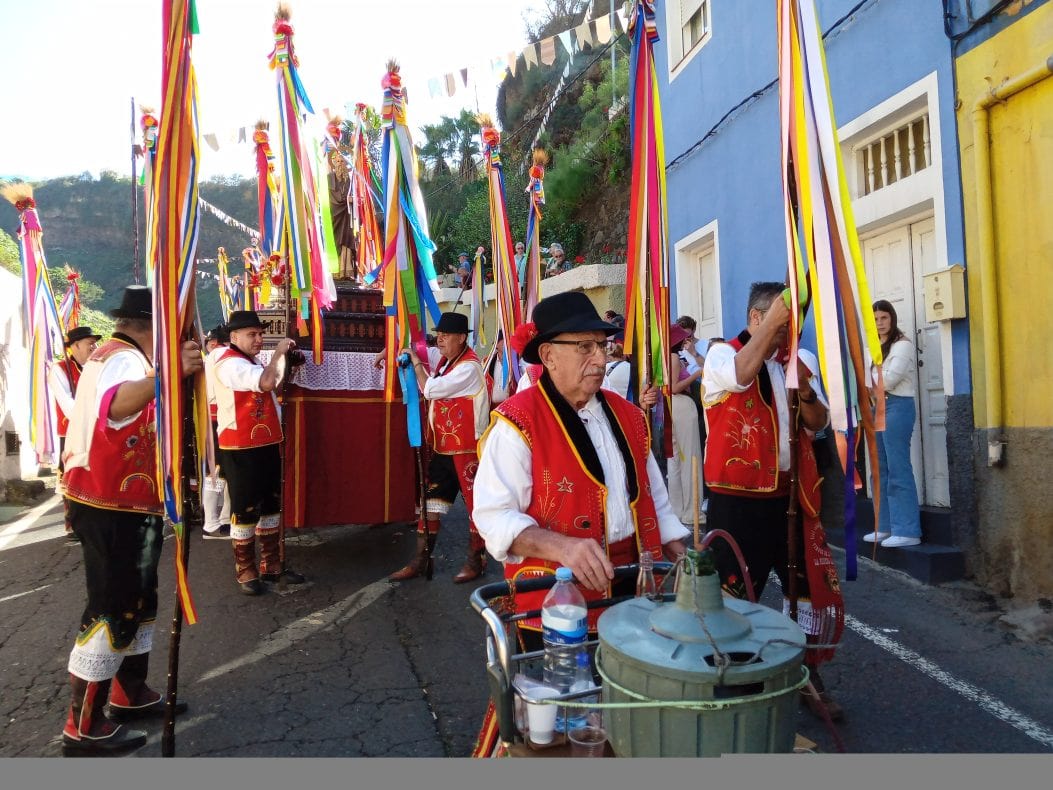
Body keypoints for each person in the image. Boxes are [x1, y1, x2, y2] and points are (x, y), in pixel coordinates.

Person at [473, 291, 689, 645]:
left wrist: (678, 551)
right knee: (566, 696)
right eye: (585, 347)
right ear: (549, 355)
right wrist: (562, 547)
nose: (601, 359)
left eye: (603, 346)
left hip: (636, 590)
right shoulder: (517, 423)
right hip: (555, 597)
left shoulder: (630, 416)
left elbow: (654, 499)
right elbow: (494, 517)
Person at [59, 285, 198, 753]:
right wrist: (167, 375)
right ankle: (83, 723)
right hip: (111, 503)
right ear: (150, 325)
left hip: (121, 500)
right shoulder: (124, 359)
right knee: (113, 605)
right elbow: (115, 406)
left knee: (139, 599)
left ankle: (129, 692)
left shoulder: (111, 353)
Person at [701, 281, 844, 721]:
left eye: (790, 326)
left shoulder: (795, 361)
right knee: (735, 592)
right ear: (756, 319)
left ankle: (804, 674)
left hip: (790, 494)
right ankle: (732, 679)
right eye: (781, 325)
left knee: (803, 588)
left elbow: (818, 424)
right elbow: (743, 374)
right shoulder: (721, 356)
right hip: (736, 499)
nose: (787, 335)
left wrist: (806, 394)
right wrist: (773, 331)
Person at [390, 311, 491, 583]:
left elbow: (431, 389)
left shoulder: (469, 368)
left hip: (468, 449)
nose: (440, 340)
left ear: (461, 338)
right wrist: (394, 353)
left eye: (446, 336)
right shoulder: (449, 361)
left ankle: (476, 559)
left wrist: (417, 365)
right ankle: (421, 559)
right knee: (430, 503)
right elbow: (416, 354)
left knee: (475, 506)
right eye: (439, 335)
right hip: (444, 448)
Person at [213, 310, 305, 595]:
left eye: (261, 334)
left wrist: (286, 363)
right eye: (252, 334)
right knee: (245, 508)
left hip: (264, 443)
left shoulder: (247, 360)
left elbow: (273, 383)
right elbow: (266, 383)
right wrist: (278, 352)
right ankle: (245, 569)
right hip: (240, 445)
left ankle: (271, 564)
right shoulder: (228, 363)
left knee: (271, 505)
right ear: (234, 337)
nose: (258, 339)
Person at [869, 299, 922, 548]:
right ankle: (885, 527)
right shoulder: (875, 346)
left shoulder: (902, 345)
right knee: (879, 469)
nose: (880, 323)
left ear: (892, 318)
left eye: (884, 318)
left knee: (898, 467)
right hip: (877, 406)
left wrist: (868, 382)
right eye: (876, 319)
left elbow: (888, 381)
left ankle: (908, 529)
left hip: (897, 406)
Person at [49, 324, 101, 545]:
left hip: (93, 430)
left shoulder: (95, 368)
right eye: (90, 343)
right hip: (71, 433)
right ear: (75, 346)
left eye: (94, 342)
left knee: (95, 475)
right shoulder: (59, 370)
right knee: (73, 478)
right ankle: (74, 524)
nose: (94, 346)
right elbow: (68, 405)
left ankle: (94, 519)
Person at [667, 322, 706, 526]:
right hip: (681, 405)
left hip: (671, 408)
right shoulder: (674, 358)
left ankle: (677, 509)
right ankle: (692, 512)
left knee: (674, 461)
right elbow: (674, 387)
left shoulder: (665, 358)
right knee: (690, 458)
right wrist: (696, 375)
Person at [201, 323, 232, 540]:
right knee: (218, 471)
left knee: (221, 472)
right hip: (217, 416)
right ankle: (212, 522)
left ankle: (222, 518)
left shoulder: (215, 355)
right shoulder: (222, 354)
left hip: (215, 416)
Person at [601, 332, 631, 400]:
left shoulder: (604, 367)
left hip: (608, 402)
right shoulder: (629, 367)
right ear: (624, 355)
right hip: (624, 403)